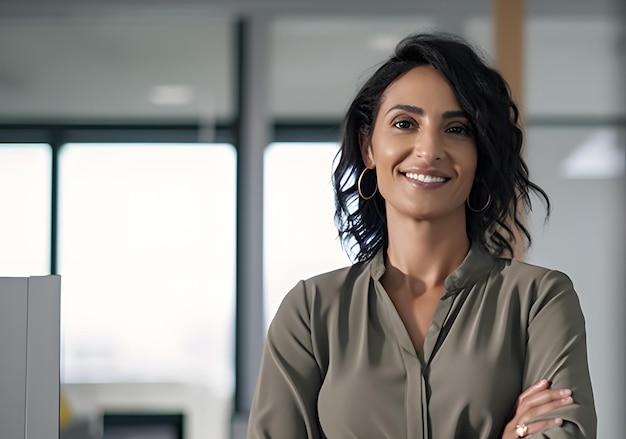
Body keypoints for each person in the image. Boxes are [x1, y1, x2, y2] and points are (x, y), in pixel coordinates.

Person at [247, 32, 596, 438]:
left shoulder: (539, 300)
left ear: (479, 152)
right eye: (404, 123)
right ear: (368, 147)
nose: (429, 149)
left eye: (458, 128)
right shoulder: (310, 313)